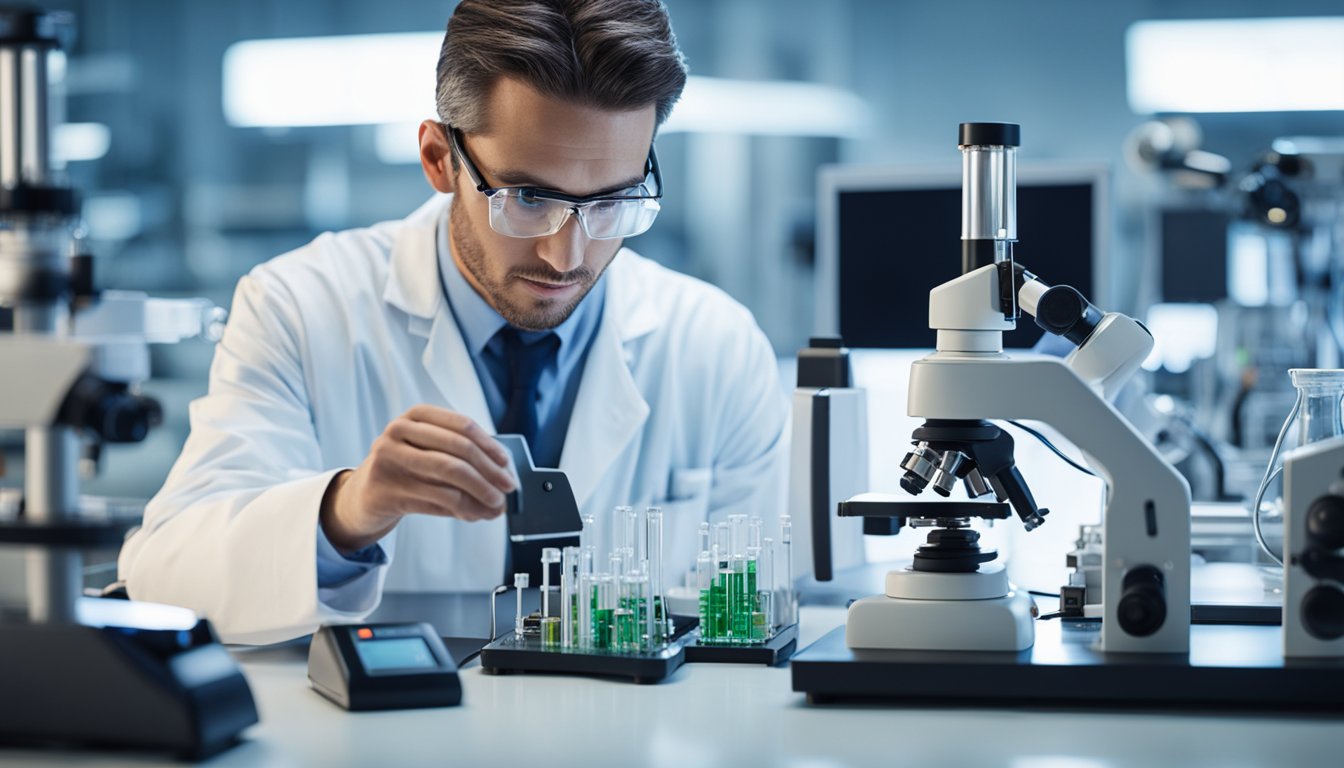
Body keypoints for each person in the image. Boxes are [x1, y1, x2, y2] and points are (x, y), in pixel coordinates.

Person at [118, 0, 788, 644]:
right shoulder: (299, 307)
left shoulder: (714, 345)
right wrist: (348, 512)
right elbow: (165, 576)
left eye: (612, 201)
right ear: (440, 159)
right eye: (528, 197)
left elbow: (754, 621)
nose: (567, 254)